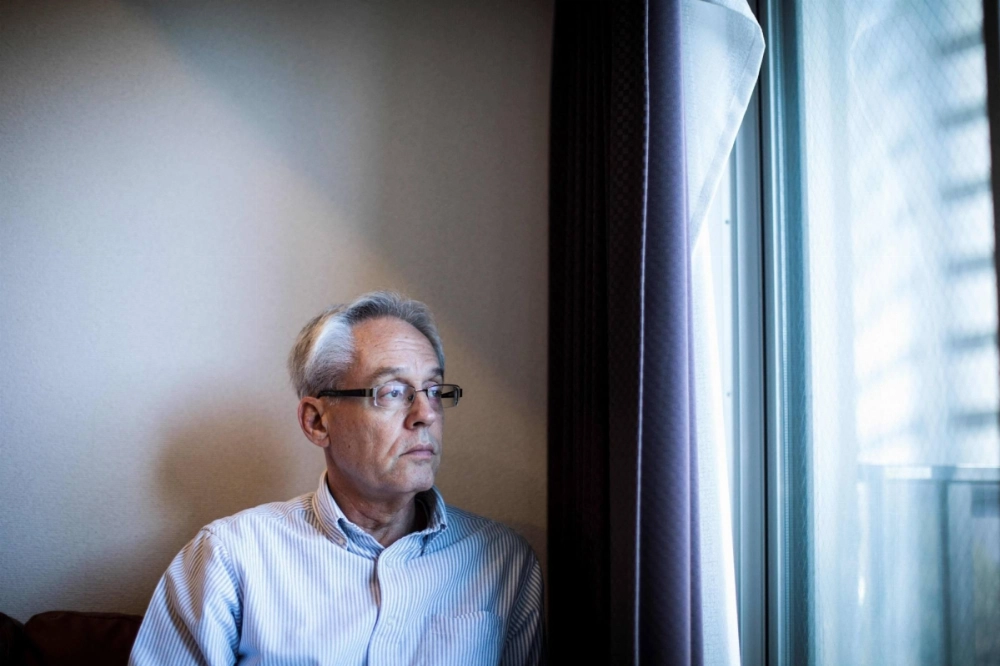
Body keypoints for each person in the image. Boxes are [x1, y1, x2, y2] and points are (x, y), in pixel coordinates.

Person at [129, 291, 544, 665]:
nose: (426, 414)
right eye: (393, 391)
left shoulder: (502, 561)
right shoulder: (230, 559)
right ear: (317, 422)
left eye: (433, 390)